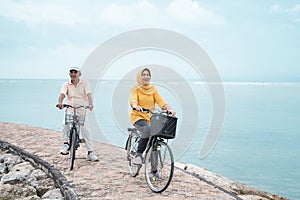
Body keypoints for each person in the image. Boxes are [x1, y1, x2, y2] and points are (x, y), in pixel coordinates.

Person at [129, 67, 175, 178]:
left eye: (148, 75)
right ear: (140, 77)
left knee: (156, 141)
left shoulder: (153, 89)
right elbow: (133, 99)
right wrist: (135, 105)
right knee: (147, 130)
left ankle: (154, 170)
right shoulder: (136, 89)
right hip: (138, 117)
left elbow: (160, 101)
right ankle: (139, 154)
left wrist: (168, 108)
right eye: (143, 75)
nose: (146, 77)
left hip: (150, 118)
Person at [56, 67, 99, 162]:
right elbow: (62, 94)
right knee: (65, 124)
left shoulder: (85, 83)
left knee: (86, 130)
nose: (73, 74)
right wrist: (59, 102)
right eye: (71, 72)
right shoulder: (66, 84)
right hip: (70, 108)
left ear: (79, 74)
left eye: (75, 72)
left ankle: (90, 152)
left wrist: (91, 104)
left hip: (82, 109)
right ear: (69, 74)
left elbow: (89, 94)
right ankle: (66, 144)